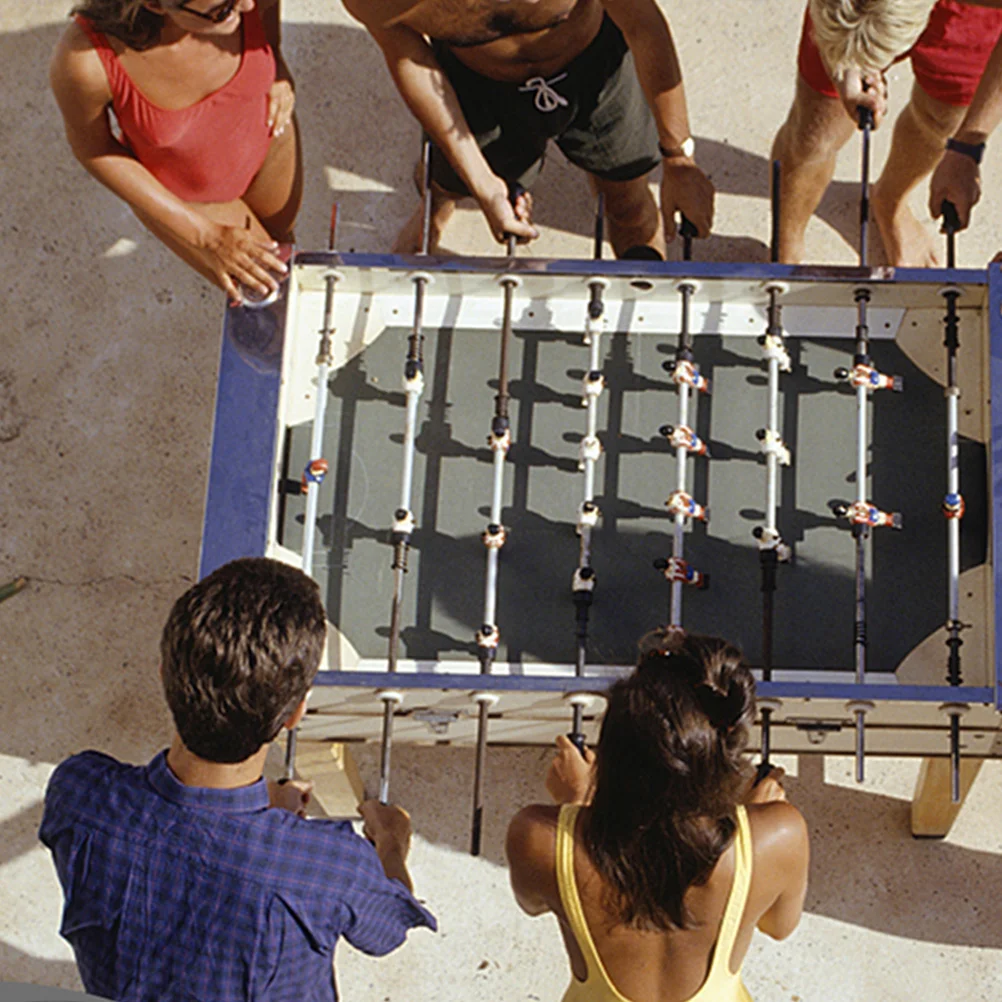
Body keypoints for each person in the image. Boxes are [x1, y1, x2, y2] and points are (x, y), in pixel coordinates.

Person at [40, 557, 435, 1002]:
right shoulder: (332, 866)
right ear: (296, 714)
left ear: (163, 674)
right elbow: (387, 930)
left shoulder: (79, 792)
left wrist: (265, 806)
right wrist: (391, 841)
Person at [506, 630, 809, 1002]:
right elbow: (779, 926)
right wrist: (757, 818)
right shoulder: (780, 834)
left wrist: (580, 803)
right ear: (722, 749)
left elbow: (532, 903)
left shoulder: (537, 838)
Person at [343, 0, 715, 259]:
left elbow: (642, 23)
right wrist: (483, 185)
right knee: (449, 180)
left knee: (626, 196)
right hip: (477, 84)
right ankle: (440, 202)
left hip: (595, 68)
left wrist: (678, 158)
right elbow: (412, 61)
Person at [49, 0, 301, 302]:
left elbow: (266, 12)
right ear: (155, 4)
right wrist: (207, 238)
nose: (248, 6)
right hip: (199, 202)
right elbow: (93, 149)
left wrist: (278, 66)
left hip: (272, 143)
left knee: (288, 251)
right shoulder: (85, 62)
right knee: (276, 296)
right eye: (222, 10)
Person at [772, 0, 1002, 266]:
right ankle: (785, 249)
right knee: (815, 135)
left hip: (973, 16)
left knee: (942, 121)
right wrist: (843, 66)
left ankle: (890, 201)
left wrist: (967, 145)